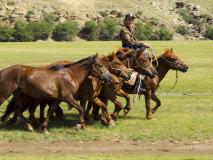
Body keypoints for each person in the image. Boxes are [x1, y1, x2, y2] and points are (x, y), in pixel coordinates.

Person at [120, 13, 151, 92]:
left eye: (132, 20)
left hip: (132, 48)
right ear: (125, 20)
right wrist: (142, 44)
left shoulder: (131, 29)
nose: (131, 21)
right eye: (129, 19)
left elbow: (135, 40)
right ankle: (137, 84)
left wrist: (143, 47)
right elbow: (129, 41)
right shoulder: (124, 29)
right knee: (142, 60)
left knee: (145, 54)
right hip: (127, 49)